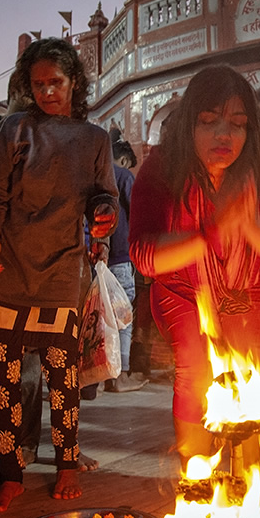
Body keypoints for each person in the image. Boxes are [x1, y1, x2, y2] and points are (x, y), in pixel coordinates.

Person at [129, 65, 260, 467]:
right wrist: (207, 235)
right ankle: (198, 480)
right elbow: (143, 255)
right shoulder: (163, 164)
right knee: (195, 370)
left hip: (259, 295)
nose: (224, 135)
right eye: (209, 122)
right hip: (185, 292)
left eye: (238, 124)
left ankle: (257, 486)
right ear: (189, 124)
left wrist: (248, 224)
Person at [0, 37, 118, 513]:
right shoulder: (13, 129)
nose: (47, 92)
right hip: (9, 271)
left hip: (61, 273)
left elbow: (105, 196)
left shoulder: (96, 139)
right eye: (38, 84)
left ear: (75, 82)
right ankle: (9, 473)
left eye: (56, 82)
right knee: (5, 381)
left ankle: (67, 465)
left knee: (64, 379)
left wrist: (102, 215)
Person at [103, 137, 147, 392]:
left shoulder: (90, 174)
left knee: (99, 317)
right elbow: (138, 212)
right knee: (123, 318)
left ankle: (97, 377)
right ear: (122, 160)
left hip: (93, 257)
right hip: (120, 257)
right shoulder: (122, 176)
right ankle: (120, 376)